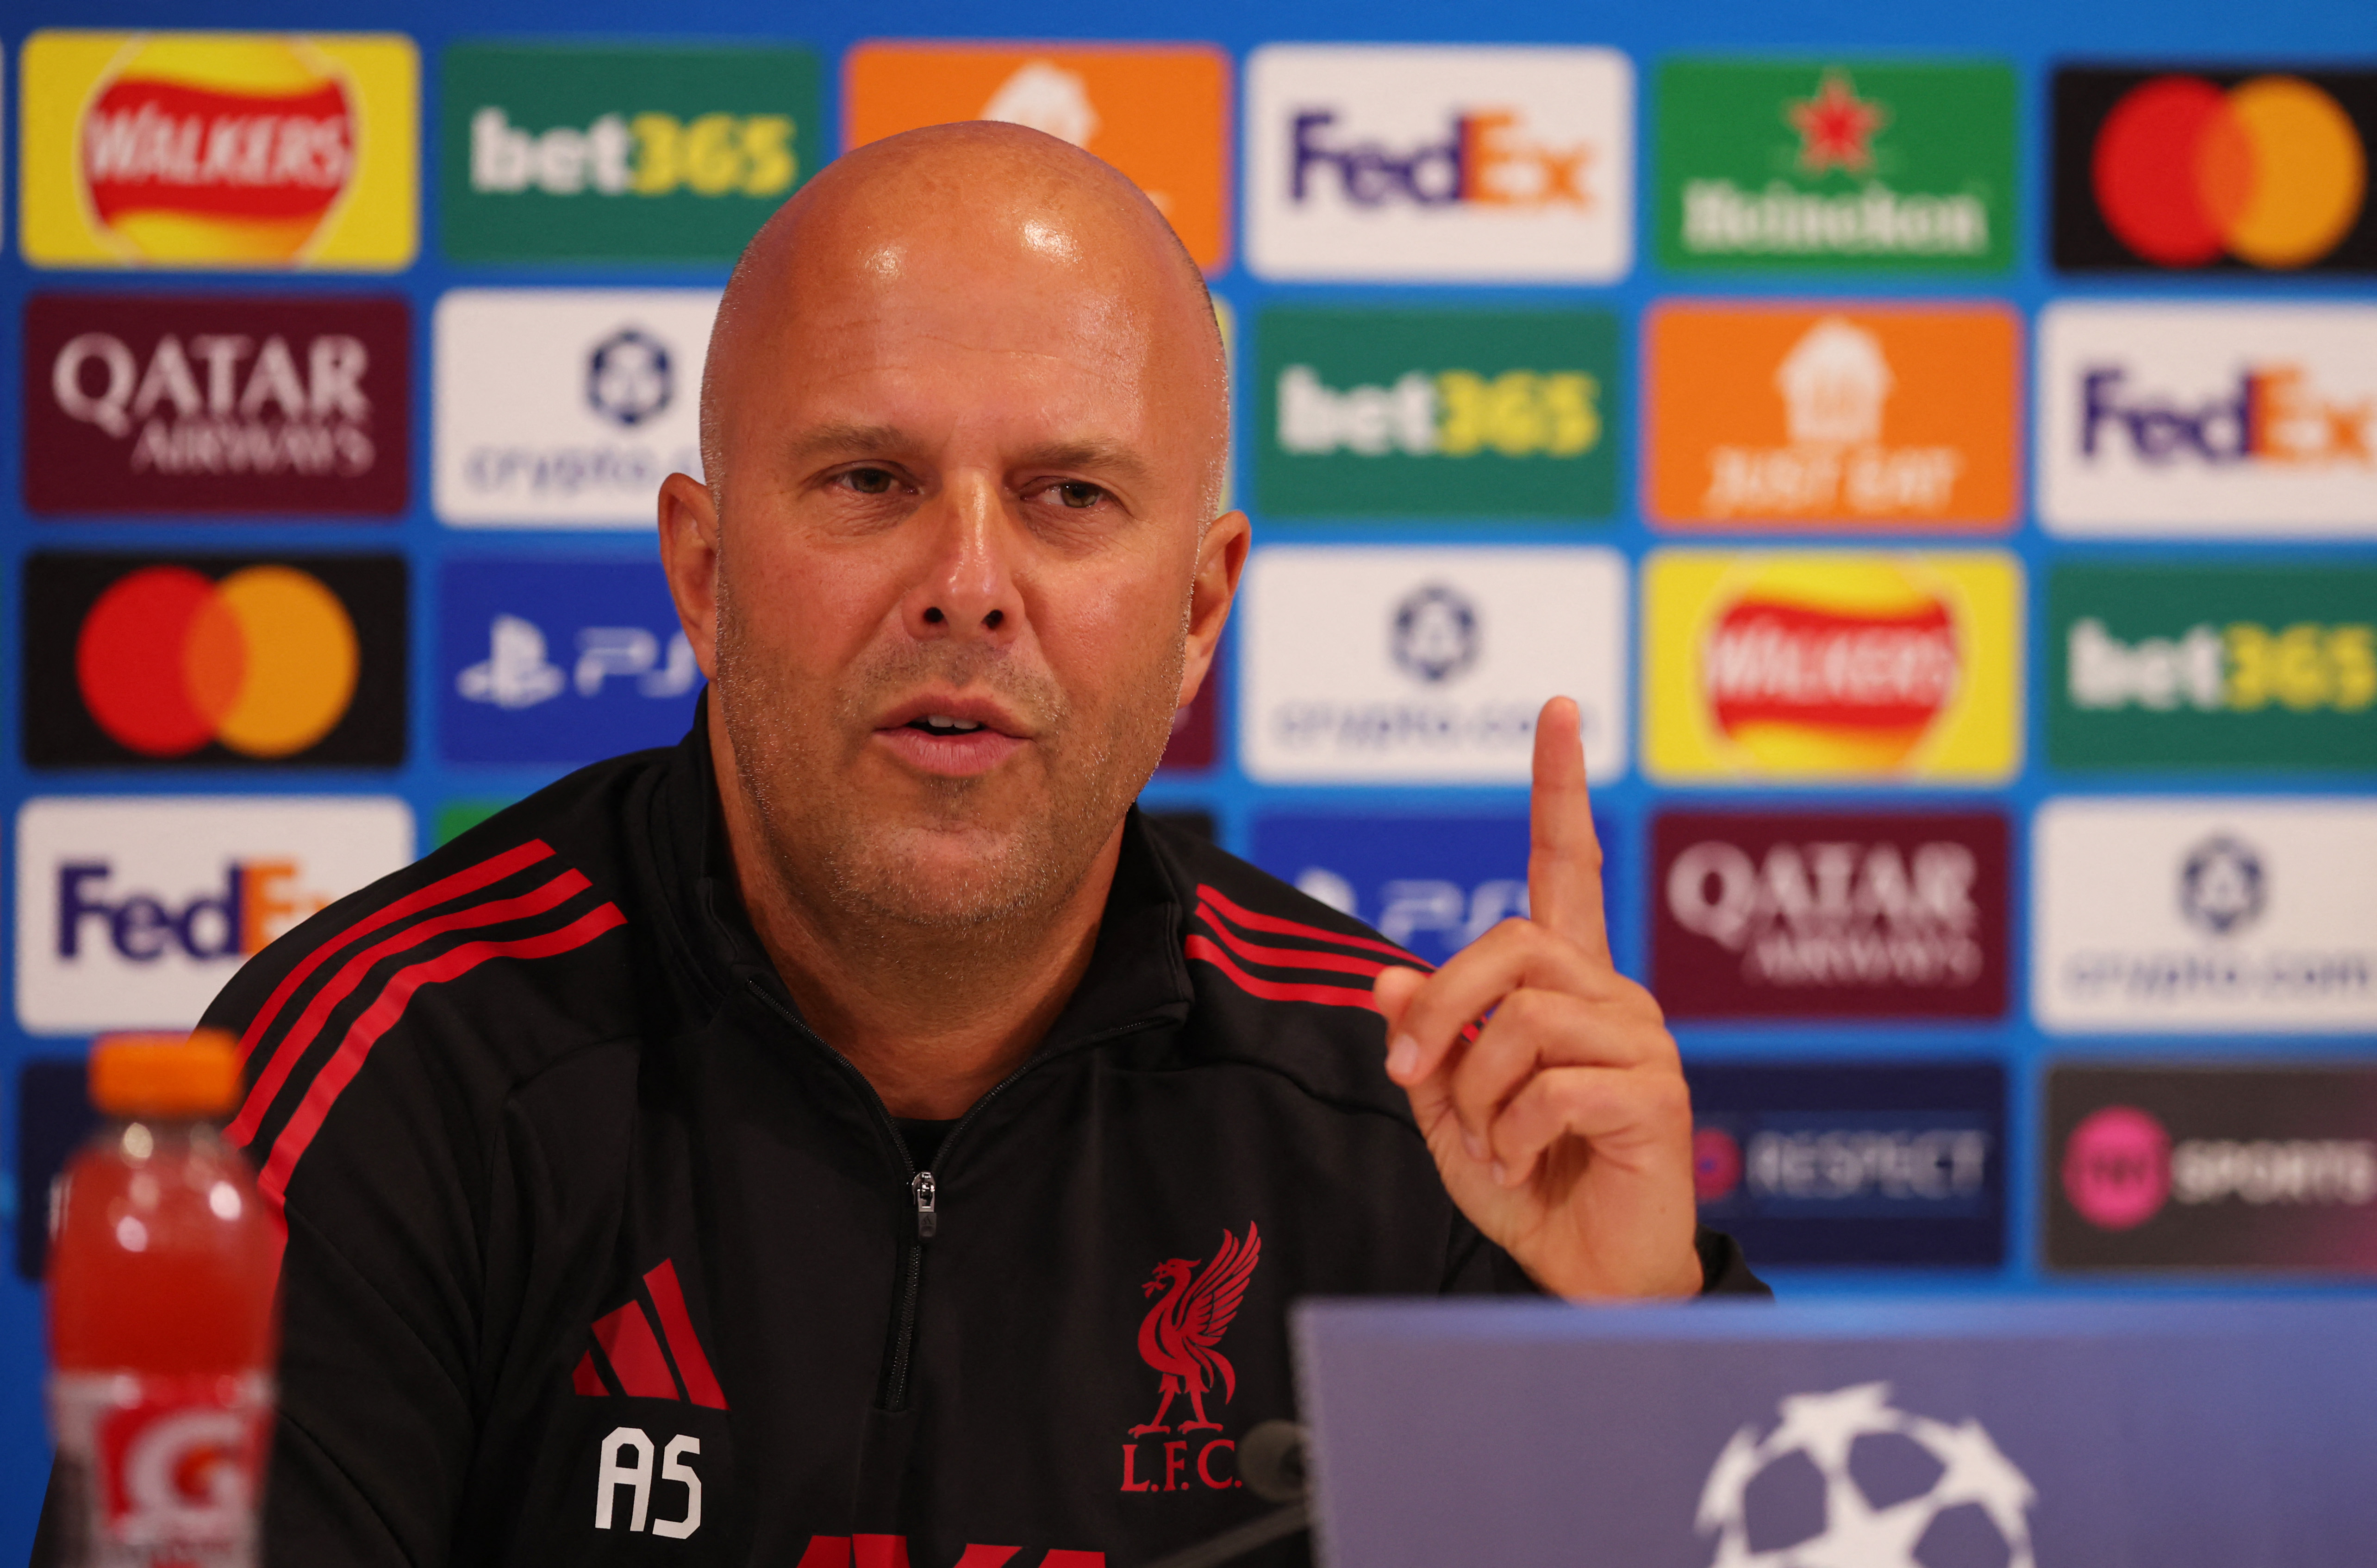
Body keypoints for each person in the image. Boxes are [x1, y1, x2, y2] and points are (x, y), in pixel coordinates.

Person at [39, 122, 1761, 1568]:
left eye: (1070, 495)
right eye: (869, 479)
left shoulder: (1417, 1123)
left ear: (1198, 611)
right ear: (706, 574)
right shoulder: (380, 1077)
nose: (968, 582)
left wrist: (1643, 1347)